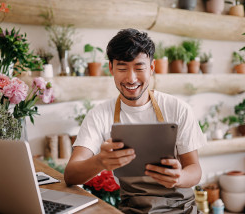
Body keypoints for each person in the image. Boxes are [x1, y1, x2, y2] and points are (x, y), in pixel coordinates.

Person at [64, 28, 206, 213]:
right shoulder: (99, 115)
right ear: (111, 69)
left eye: (139, 68)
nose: (131, 78)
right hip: (133, 210)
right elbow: (70, 174)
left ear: (152, 68)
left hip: (181, 209)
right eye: (122, 68)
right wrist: (100, 161)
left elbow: (194, 169)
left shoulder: (177, 108)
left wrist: (178, 177)